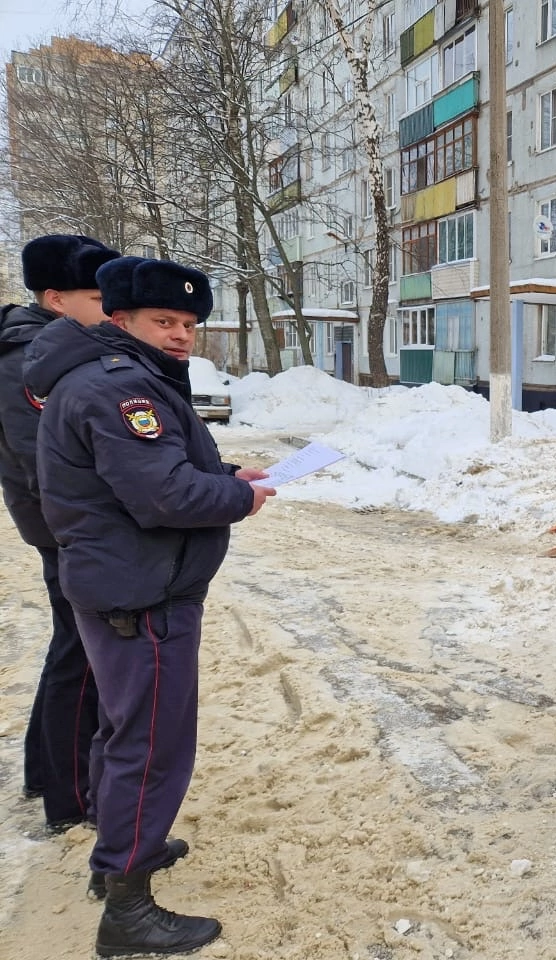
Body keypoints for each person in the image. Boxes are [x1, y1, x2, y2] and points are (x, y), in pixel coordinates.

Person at [26, 256, 276, 957]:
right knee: (152, 747)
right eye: (164, 321)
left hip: (123, 583)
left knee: (122, 730)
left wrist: (226, 473)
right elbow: (163, 496)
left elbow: (149, 466)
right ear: (120, 319)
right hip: (143, 592)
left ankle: (119, 861)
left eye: (190, 324)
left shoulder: (111, 376)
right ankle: (127, 908)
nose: (180, 335)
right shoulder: (118, 387)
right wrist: (240, 499)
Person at [0, 234, 119, 828]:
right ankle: (69, 797)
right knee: (81, 654)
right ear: (54, 297)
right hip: (66, 530)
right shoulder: (29, 356)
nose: (110, 308)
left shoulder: (44, 345)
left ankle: (45, 771)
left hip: (65, 527)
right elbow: (41, 460)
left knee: (71, 648)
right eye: (98, 296)